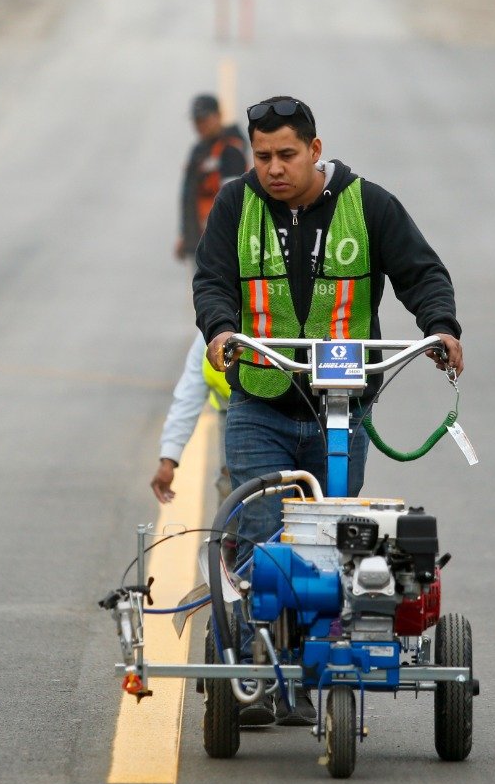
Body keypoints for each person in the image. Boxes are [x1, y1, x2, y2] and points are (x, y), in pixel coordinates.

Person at [192, 94, 463, 726]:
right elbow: (212, 280)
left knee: (327, 543)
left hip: (341, 413)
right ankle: (259, 674)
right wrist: (221, 327)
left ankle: (314, 670)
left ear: (315, 150)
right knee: (263, 540)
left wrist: (441, 326)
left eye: (287, 154)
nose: (273, 168)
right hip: (260, 404)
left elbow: (422, 273)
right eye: (262, 156)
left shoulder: (369, 205)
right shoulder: (235, 205)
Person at [149, 334, 232, 506]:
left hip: (286, 410)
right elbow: (188, 396)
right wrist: (169, 458)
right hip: (232, 415)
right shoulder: (209, 336)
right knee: (232, 484)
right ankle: (231, 524)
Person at [176, 93, 249, 261]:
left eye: (204, 119)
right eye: (196, 120)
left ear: (218, 116)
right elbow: (190, 195)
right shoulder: (199, 150)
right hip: (199, 238)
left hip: (219, 240)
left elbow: (233, 200)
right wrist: (185, 234)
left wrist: (225, 239)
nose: (199, 125)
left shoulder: (230, 150)